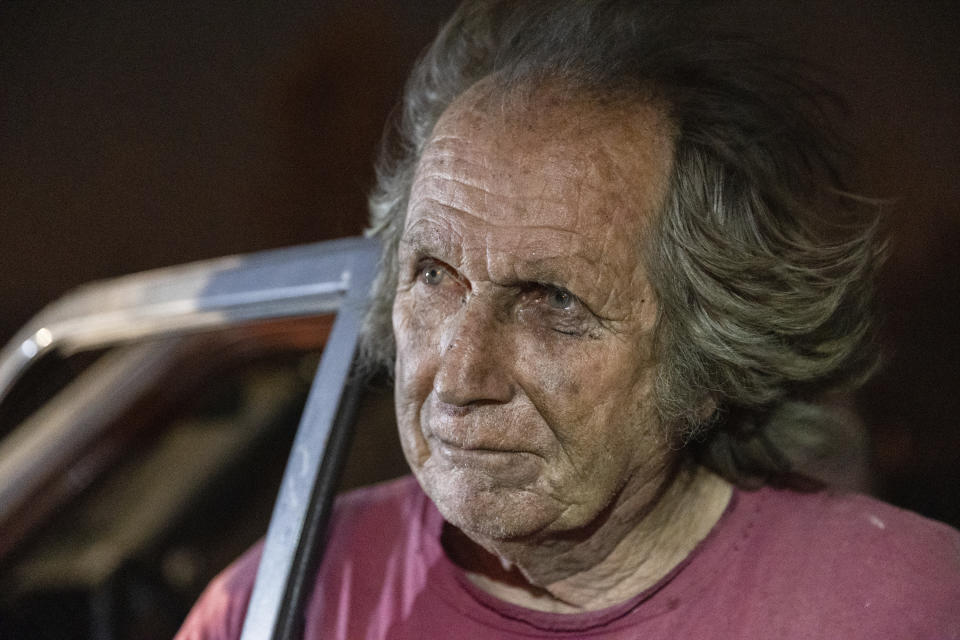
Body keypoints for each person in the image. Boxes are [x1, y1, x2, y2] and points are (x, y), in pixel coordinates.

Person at [176, 1, 960, 638]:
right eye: (433, 275)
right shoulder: (281, 595)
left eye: (553, 302)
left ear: (708, 366)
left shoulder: (903, 606)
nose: (459, 376)